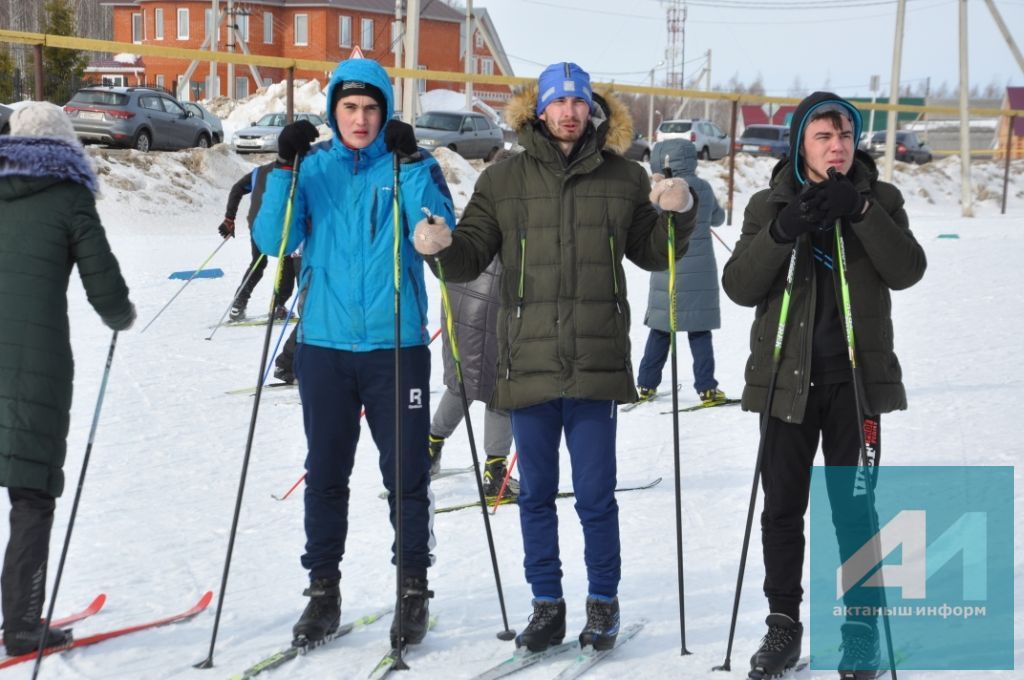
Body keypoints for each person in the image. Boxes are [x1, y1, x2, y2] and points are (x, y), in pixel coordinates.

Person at [413, 61, 697, 653]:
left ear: (591, 110)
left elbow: (655, 253)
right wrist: (440, 249)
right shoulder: (503, 180)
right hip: (527, 365)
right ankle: (546, 604)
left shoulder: (624, 178)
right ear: (538, 111)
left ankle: (603, 603)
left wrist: (679, 210)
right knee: (535, 496)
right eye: (557, 102)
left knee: (596, 496)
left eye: (578, 102)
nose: (569, 112)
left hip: (595, 364)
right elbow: (468, 256)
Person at [721, 92, 926, 679]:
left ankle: (861, 629)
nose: (837, 147)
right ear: (800, 145)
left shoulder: (881, 199)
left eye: (844, 137)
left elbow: (907, 270)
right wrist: (783, 228)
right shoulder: (767, 204)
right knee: (782, 507)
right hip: (787, 384)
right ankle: (782, 624)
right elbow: (740, 285)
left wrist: (861, 213)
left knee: (854, 510)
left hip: (855, 386)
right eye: (823, 137)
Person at [252, 58, 455, 649]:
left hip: (396, 346)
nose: (360, 119)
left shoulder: (409, 164)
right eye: (350, 108)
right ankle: (323, 591)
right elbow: (275, 241)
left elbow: (439, 230)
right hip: (324, 346)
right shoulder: (312, 168)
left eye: (371, 109)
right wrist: (285, 169)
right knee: (326, 474)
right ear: (333, 111)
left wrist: (414, 162)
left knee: (406, 474)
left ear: (385, 111)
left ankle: (412, 588)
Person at [0, 102, 135, 656]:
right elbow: (101, 278)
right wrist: (119, 314)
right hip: (37, 363)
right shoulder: (70, 195)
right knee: (31, 493)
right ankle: (24, 624)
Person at [636, 138, 728, 407]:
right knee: (700, 331)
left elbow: (649, 215)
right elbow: (718, 219)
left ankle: (645, 385)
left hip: (668, 267)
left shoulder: (663, 189)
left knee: (661, 329)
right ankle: (707, 388)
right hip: (701, 272)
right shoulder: (704, 187)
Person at [427, 257, 519, 498]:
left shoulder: (471, 222)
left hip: (460, 297)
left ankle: (429, 448)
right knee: (499, 386)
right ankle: (494, 473)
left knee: (464, 380)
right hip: (498, 300)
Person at [218, 161, 298, 322]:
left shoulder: (258, 172)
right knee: (288, 259)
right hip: (280, 225)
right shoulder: (295, 171)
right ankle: (278, 306)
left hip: (257, 225)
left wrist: (229, 218)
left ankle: (238, 305)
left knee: (258, 262)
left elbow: (236, 189)